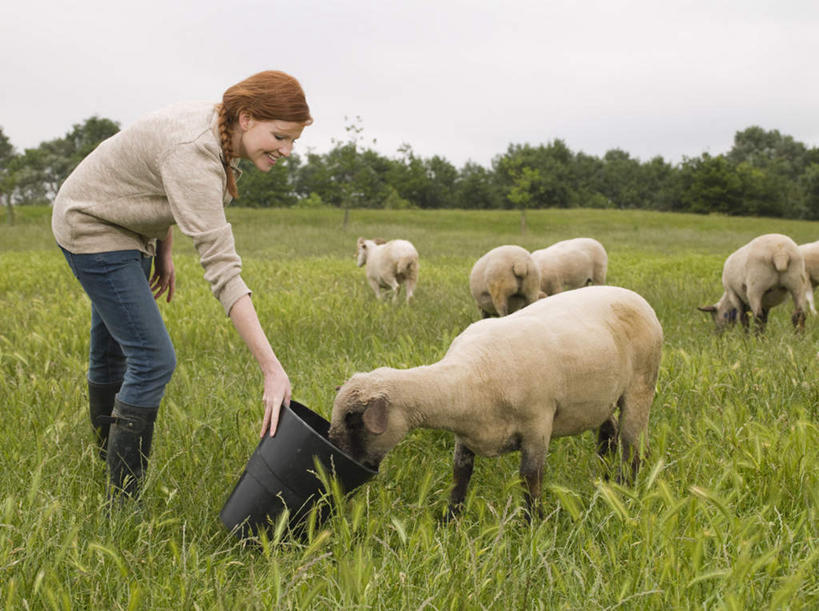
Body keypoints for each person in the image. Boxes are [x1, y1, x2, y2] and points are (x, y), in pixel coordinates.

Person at [52, 70, 312, 500]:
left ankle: (104, 463)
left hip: (126, 223)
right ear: (247, 118)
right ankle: (122, 501)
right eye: (280, 136)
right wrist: (271, 368)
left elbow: (152, 182)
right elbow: (222, 269)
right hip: (92, 224)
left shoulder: (219, 126)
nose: (286, 150)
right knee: (153, 360)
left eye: (293, 141)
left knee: (114, 347)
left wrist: (162, 247)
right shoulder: (194, 149)